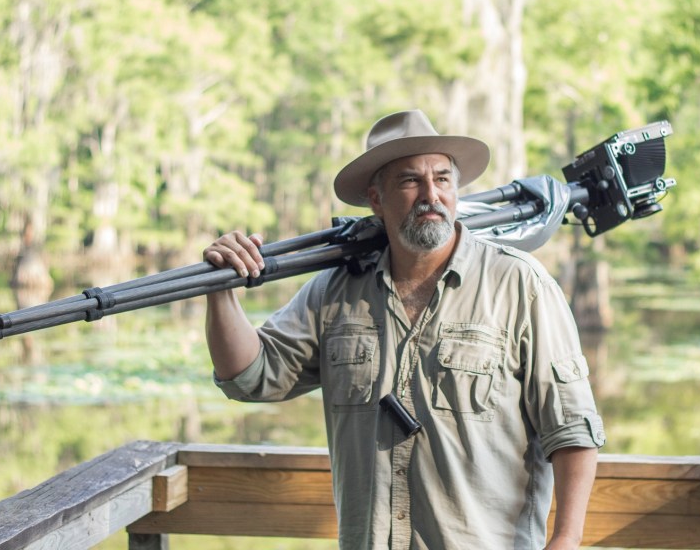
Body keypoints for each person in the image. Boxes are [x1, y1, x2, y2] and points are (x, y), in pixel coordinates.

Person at [204, 109, 605, 549]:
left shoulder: (520, 285)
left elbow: (572, 428)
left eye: (442, 179)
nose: (430, 194)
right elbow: (251, 377)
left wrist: (565, 540)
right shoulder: (334, 292)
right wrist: (220, 287)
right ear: (376, 199)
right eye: (410, 181)